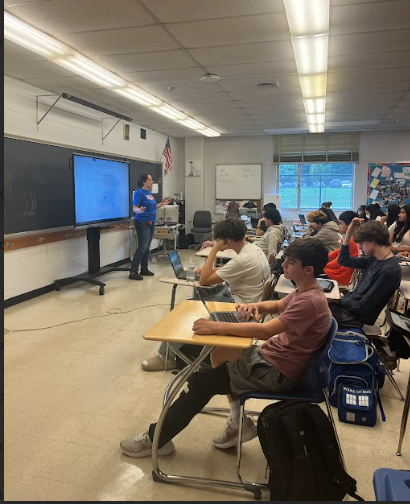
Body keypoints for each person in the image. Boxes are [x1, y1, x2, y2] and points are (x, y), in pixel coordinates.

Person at [120, 238, 332, 458]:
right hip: (274, 359)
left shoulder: (309, 301)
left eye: (291, 262)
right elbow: (278, 305)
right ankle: (239, 423)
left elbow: (266, 331)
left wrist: (215, 326)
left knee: (201, 383)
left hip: (278, 372)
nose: (285, 265)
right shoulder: (305, 291)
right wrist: (255, 305)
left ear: (308, 270)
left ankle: (156, 441)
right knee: (218, 352)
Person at [141, 218, 270, 371]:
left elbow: (204, 280)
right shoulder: (253, 250)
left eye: (219, 241)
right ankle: (187, 347)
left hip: (238, 305)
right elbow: (231, 270)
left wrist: (214, 250)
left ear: (226, 241)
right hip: (245, 299)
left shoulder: (243, 259)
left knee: (188, 312)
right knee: (199, 294)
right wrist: (210, 270)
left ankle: (166, 357)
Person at [329, 219, 401, 329]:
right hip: (350, 310)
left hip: (357, 318)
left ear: (372, 240)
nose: (360, 248)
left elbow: (362, 308)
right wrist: (349, 233)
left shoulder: (388, 271)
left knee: (312, 313)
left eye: (361, 243)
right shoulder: (375, 259)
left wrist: (339, 301)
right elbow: (343, 260)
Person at [129, 174, 171, 280]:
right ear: (144, 182)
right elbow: (135, 208)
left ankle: (144, 269)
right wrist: (140, 210)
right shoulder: (139, 193)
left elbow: (153, 207)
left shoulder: (149, 193)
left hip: (151, 222)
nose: (152, 181)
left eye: (152, 179)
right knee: (142, 247)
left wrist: (162, 203)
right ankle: (133, 272)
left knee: (147, 247)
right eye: (150, 180)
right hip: (142, 222)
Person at [324, 210, 359, 286]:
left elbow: (338, 261)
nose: (339, 226)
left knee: (321, 270)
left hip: (343, 274)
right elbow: (337, 252)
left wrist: (323, 264)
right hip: (343, 270)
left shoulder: (352, 242)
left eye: (341, 223)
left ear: (350, 225)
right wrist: (324, 259)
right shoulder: (351, 239)